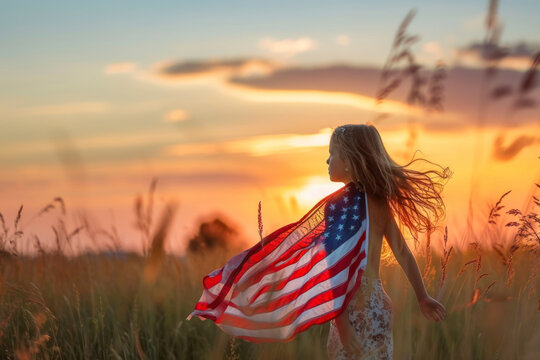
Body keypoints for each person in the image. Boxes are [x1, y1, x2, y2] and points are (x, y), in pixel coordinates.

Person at [325, 124, 450, 359]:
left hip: (350, 308)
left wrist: (341, 324)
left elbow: (336, 269)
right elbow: (403, 252)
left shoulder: (336, 205)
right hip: (379, 305)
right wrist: (422, 296)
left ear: (350, 160)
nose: (327, 161)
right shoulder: (379, 202)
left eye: (333, 154)